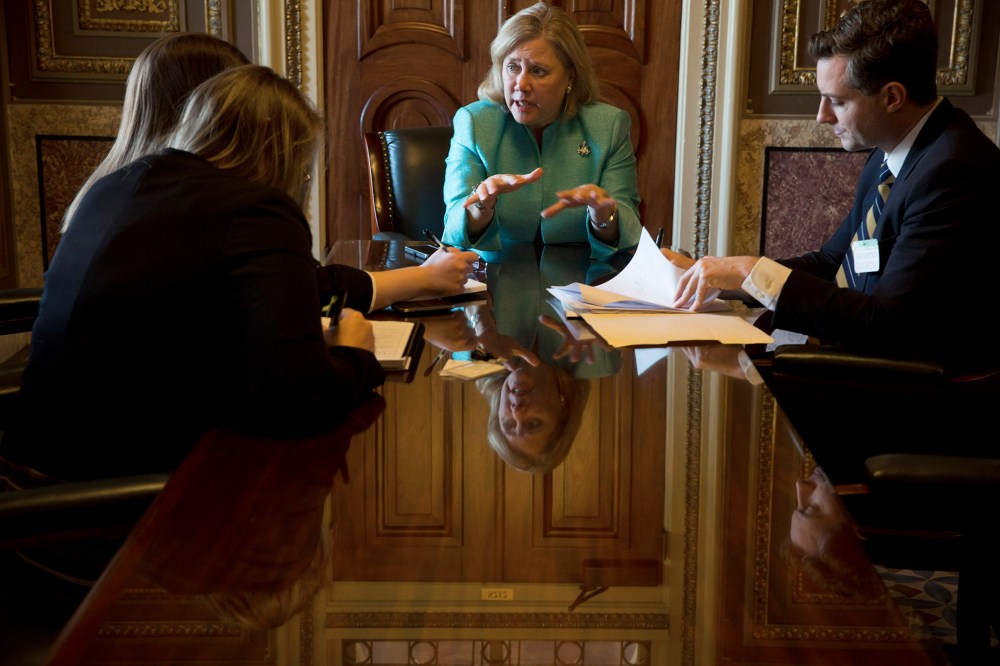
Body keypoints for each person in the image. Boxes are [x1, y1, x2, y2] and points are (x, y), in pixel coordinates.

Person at [0, 65, 384, 483]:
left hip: (27, 466)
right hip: (117, 503)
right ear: (281, 145)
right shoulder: (256, 210)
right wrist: (355, 353)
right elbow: (299, 399)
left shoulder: (113, 185)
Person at [664, 0, 1000, 375]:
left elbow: (886, 324)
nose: (822, 116)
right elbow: (832, 263)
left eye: (837, 101)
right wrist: (717, 276)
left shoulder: (955, 170)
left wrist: (752, 273)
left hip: (918, 395)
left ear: (892, 97)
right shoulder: (892, 151)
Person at [62, 32, 478, 312]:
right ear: (206, 105)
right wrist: (354, 346)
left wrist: (420, 280)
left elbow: (296, 287)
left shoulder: (110, 192)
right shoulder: (230, 210)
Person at [441, 2, 641, 260]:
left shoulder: (608, 126)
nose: (521, 84)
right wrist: (482, 205)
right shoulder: (474, 122)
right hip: (493, 280)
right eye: (512, 67)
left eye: (537, 70)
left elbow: (629, 228)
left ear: (570, 77)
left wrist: (605, 217)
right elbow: (453, 229)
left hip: (581, 283)